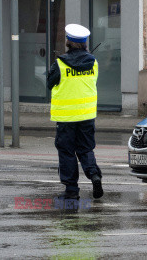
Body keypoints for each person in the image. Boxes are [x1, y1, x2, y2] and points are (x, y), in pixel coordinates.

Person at [47, 24, 103, 200]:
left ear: (68, 42)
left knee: (67, 152)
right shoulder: (93, 62)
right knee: (86, 149)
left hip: (66, 117)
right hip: (87, 115)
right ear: (85, 43)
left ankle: (71, 190)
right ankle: (94, 175)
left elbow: (49, 84)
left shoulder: (60, 63)